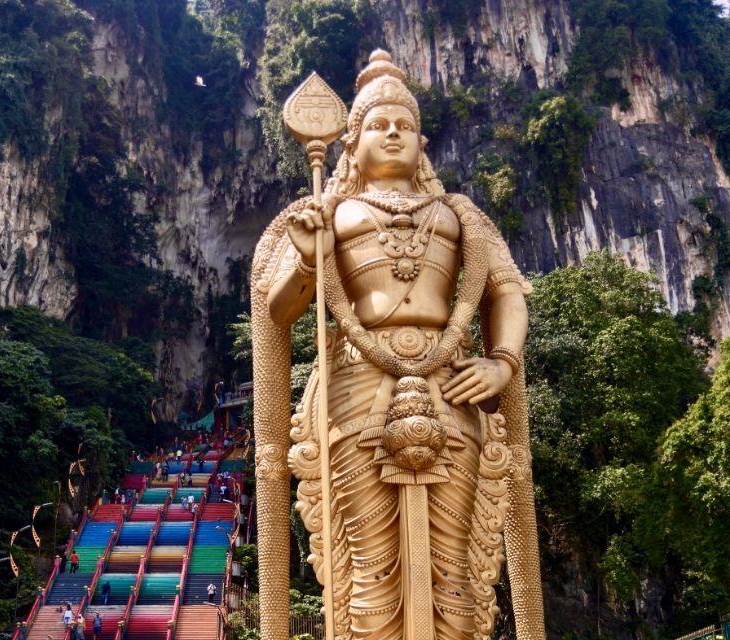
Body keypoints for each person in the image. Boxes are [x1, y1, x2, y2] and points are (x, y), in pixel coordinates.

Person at [251, 49, 543, 640]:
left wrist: (503, 362)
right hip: (357, 387)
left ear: (423, 141)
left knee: (455, 570)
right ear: (351, 142)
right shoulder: (328, 211)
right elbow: (277, 311)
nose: (392, 135)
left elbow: (508, 292)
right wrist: (309, 261)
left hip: (451, 385)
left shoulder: (460, 216)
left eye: (404, 126)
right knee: (369, 571)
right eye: (378, 126)